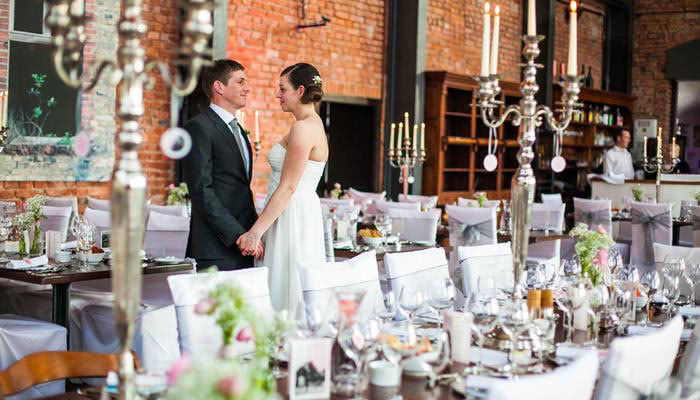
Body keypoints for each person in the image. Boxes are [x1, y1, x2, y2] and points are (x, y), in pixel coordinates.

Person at [237, 63, 328, 311]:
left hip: (291, 215)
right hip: (292, 212)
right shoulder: (310, 124)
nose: (277, 95)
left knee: (284, 288)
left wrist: (255, 232)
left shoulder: (303, 129)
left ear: (300, 91)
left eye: (282, 89)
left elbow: (288, 188)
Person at [182, 59, 263, 270]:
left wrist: (252, 233)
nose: (247, 88)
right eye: (240, 82)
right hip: (215, 247)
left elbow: (241, 189)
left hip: (244, 244)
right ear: (219, 86)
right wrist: (238, 235)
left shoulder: (238, 129)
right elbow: (202, 190)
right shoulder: (199, 127)